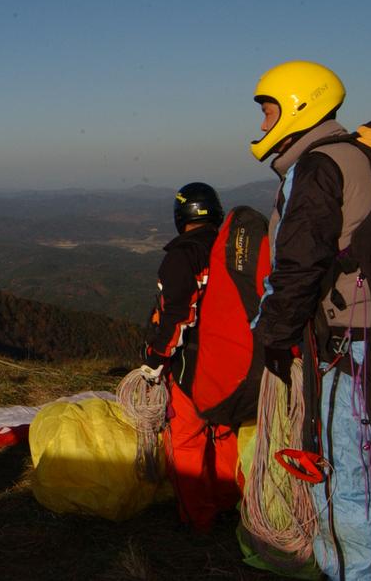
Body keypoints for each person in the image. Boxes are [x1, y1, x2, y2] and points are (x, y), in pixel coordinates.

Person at [249, 59, 371, 580]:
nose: (264, 125)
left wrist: (274, 335)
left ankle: (356, 574)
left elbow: (299, 263)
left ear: (298, 106)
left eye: (270, 112)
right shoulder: (353, 154)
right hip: (370, 336)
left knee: (343, 472)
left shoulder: (316, 167)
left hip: (343, 342)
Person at [141, 182, 239, 532]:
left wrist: (155, 360)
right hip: (234, 364)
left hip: (190, 367)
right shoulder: (234, 249)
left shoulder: (182, 256)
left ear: (180, 217)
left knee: (186, 439)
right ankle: (231, 502)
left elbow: (177, 315)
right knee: (224, 432)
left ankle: (199, 518)